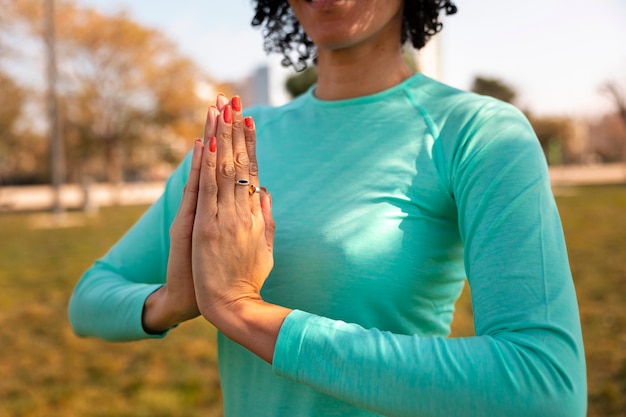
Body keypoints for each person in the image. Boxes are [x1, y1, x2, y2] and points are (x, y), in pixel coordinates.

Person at [68, 0, 587, 416]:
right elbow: (89, 297)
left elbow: (542, 386)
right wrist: (172, 301)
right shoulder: (236, 145)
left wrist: (243, 312)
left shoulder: (474, 132)